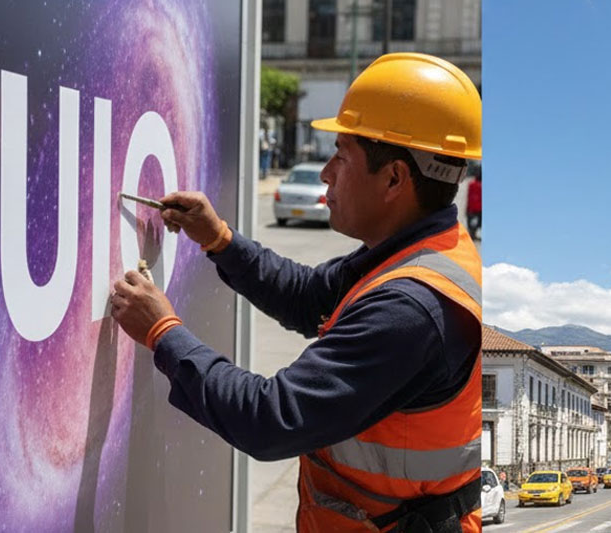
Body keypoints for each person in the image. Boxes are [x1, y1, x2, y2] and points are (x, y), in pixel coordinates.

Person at [111, 53, 482, 532]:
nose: (325, 173)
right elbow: (310, 296)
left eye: (340, 155)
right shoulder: (424, 249)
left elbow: (271, 419)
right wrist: (219, 238)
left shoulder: (411, 310)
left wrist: (163, 331)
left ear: (394, 178)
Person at [465, 168, 481, 241]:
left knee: (471, 222)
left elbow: (469, 196)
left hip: (471, 207)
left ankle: (472, 234)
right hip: (479, 208)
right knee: (477, 222)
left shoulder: (471, 184)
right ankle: (473, 235)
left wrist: (467, 207)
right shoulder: (481, 186)